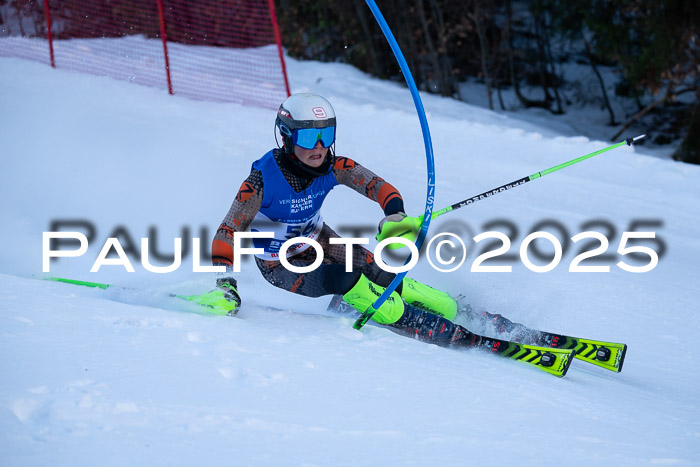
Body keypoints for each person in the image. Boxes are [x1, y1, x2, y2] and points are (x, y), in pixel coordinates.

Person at [209, 93, 524, 348]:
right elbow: (228, 231)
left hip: (321, 241)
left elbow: (378, 187)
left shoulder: (335, 166)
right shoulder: (262, 179)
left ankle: (464, 313)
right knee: (346, 279)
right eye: (308, 137)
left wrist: (395, 215)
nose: (319, 147)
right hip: (281, 265)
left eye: (326, 135)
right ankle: (432, 327)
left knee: (385, 274)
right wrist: (225, 284)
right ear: (287, 137)